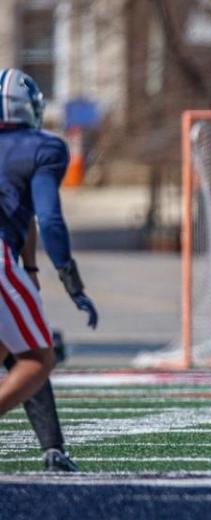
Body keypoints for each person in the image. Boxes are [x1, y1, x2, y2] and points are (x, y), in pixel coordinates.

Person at [0, 68, 98, 468]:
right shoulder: (44, 148)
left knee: (14, 347)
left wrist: (30, 269)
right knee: (39, 357)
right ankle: (54, 450)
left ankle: (54, 449)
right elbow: (48, 219)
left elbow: (18, 213)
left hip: (9, 254)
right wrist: (70, 279)